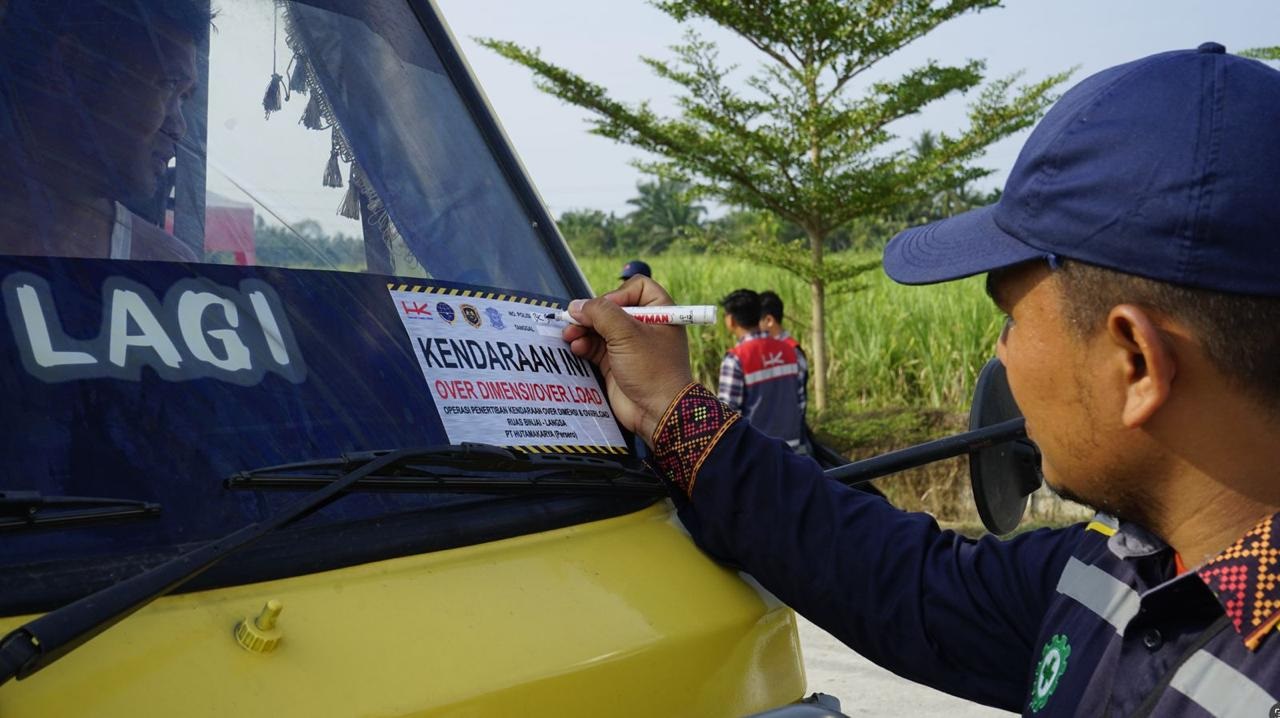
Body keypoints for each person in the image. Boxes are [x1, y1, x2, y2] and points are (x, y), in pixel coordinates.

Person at [561, 43, 1280, 716]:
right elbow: (894, 578)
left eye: (1011, 322)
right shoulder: (1117, 569)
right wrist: (672, 412)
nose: (1001, 357)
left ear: (1138, 363)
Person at [0, 0, 206, 260]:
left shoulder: (167, 270)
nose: (179, 128)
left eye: (183, 97)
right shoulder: (157, 276)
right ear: (70, 66)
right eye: (167, 84)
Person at [717, 289, 806, 452]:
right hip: (793, 449)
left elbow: (727, 418)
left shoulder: (735, 359)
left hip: (757, 454)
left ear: (730, 320)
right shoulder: (790, 351)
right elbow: (800, 403)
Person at [758, 290, 808, 417]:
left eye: (756, 322)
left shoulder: (792, 351)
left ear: (769, 320)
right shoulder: (764, 350)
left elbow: (796, 400)